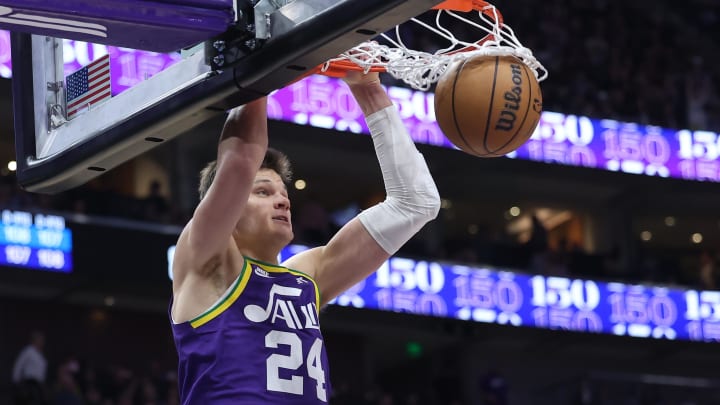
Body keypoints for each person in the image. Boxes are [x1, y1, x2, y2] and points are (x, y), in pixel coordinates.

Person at [169, 70, 440, 404]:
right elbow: (240, 160)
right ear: (228, 203)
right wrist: (264, 60)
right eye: (263, 192)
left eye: (282, 193)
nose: (282, 200)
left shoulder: (306, 278)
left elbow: (417, 203)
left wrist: (368, 90)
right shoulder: (206, 260)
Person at [11, 331, 47, 405]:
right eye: (39, 340)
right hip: (30, 383)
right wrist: (16, 381)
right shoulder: (28, 351)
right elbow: (19, 365)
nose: (41, 342)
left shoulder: (40, 354)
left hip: (38, 384)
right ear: (34, 340)